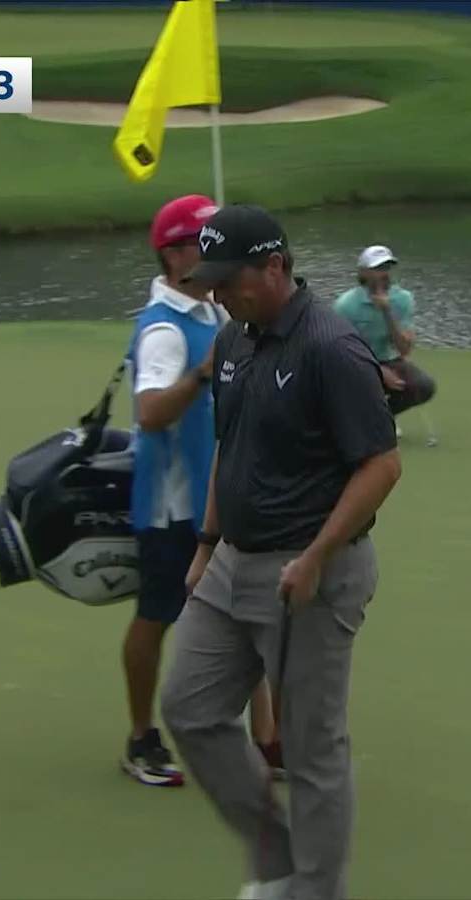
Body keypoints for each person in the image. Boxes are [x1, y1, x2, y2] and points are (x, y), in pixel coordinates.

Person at [160, 205, 402, 899]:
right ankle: (280, 863)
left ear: (274, 268)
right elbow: (229, 452)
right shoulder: (235, 339)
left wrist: (318, 555)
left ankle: (314, 889)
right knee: (191, 709)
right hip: (232, 559)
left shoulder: (332, 346)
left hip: (311, 572)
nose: (218, 293)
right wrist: (207, 544)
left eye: (230, 279)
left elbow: (381, 465)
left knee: (311, 746)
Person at [121, 195, 279, 788]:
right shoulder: (164, 327)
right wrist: (202, 373)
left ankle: (266, 741)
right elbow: (152, 412)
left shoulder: (214, 314)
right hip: (171, 507)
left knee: (252, 612)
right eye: (205, 241)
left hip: (223, 500)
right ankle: (141, 737)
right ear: (175, 252)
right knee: (157, 617)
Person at [332, 245, 437, 433]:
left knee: (424, 386)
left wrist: (387, 311)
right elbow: (339, 350)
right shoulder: (345, 305)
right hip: (352, 363)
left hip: (388, 360)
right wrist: (377, 370)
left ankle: (383, 417)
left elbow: (404, 350)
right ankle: (358, 416)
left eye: (387, 268)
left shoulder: (403, 299)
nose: (384, 273)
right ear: (364, 272)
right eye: (378, 269)